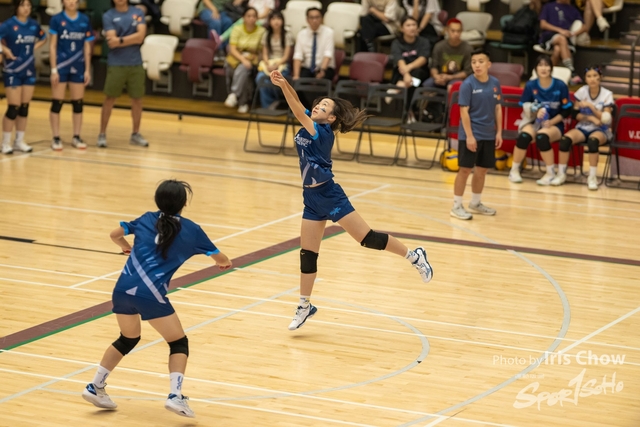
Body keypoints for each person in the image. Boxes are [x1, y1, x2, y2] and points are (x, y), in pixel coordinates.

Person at [269, 69, 433, 331]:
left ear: (331, 118)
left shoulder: (321, 132)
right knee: (308, 254)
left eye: (323, 107)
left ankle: (415, 256)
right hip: (311, 198)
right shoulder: (311, 123)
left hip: (329, 194)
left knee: (368, 239)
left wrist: (282, 87)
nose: (317, 107)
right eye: (318, 104)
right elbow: (299, 105)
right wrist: (284, 83)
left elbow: (297, 109)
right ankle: (304, 305)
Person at [81, 180, 232, 418]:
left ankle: (95, 386)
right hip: (150, 294)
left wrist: (125, 247)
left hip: (122, 290)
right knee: (178, 343)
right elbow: (220, 257)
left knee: (127, 338)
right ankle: (175, 396)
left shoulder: (146, 219)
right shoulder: (192, 230)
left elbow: (114, 234)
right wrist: (224, 263)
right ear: (184, 203)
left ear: (157, 201)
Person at [450, 50, 502, 221]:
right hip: (471, 135)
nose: (477, 65)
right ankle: (456, 206)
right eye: (473, 62)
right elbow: (463, 112)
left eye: (480, 61)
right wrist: (470, 136)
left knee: (482, 170)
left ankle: (475, 203)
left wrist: (499, 132)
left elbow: (498, 108)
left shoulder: (495, 83)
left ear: (488, 64)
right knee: (465, 169)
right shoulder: (467, 84)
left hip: (488, 134)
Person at [508, 55, 573, 186]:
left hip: (554, 123)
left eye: (546, 65)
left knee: (542, 137)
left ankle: (550, 173)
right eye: (540, 65)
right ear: (536, 69)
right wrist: (534, 110)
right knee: (524, 137)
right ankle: (514, 170)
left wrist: (552, 122)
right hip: (534, 121)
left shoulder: (560, 85)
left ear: (551, 68)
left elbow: (567, 110)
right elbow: (524, 105)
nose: (543, 68)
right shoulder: (530, 85)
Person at [551, 65, 613, 190]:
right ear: (585, 79)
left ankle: (592, 177)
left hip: (601, 129)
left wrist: (591, 107)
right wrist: (590, 118)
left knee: (593, 141)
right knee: (565, 140)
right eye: (589, 76)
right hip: (583, 126)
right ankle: (561, 174)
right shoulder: (581, 92)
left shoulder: (607, 94)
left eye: (595, 76)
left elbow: (605, 118)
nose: (592, 79)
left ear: (600, 77)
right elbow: (575, 115)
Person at [98, 0, 148, 149]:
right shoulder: (108, 16)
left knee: (137, 99)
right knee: (110, 98)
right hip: (116, 63)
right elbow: (111, 41)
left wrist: (120, 40)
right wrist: (131, 38)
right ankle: (102, 134)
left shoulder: (137, 13)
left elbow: (141, 37)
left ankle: (135, 134)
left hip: (135, 63)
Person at [0, 0, 46, 155]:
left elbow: (43, 37)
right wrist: (4, 49)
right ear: (16, 7)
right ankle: (5, 143)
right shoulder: (8, 25)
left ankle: (19, 141)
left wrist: (33, 48)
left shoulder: (33, 25)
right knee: (13, 107)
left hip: (29, 70)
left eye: (29, 6)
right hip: (13, 70)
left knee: (24, 107)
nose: (26, 8)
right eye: (23, 5)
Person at [48, 0, 94, 151]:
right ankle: (56, 137)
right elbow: (52, 46)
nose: (71, 2)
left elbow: (87, 46)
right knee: (57, 102)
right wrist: (53, 70)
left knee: (78, 103)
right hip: (61, 66)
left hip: (78, 66)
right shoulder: (56, 19)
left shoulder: (84, 20)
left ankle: (76, 136)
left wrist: (87, 70)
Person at [223, 7, 265, 114]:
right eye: (249, 16)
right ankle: (242, 102)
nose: (251, 18)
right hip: (237, 57)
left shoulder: (262, 31)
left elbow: (261, 51)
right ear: (243, 18)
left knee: (243, 68)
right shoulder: (237, 28)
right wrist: (242, 59)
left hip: (252, 59)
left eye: (254, 16)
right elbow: (232, 49)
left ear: (257, 18)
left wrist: (252, 58)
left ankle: (234, 94)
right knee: (236, 70)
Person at [292, 7, 335, 108]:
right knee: (297, 85)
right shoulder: (301, 34)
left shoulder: (329, 32)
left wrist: (322, 70)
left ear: (321, 18)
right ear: (307, 19)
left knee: (321, 85)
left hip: (325, 68)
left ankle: (321, 111)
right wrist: (296, 76)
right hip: (308, 68)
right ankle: (307, 111)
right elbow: (298, 56)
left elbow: (328, 54)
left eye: (317, 17)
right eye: (311, 17)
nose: (314, 20)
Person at [389, 16, 430, 122]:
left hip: (420, 73)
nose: (412, 28)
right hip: (403, 73)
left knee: (416, 75)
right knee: (411, 82)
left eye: (414, 25)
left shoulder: (424, 41)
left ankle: (400, 88)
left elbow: (423, 59)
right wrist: (406, 74)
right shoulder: (397, 43)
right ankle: (410, 112)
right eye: (408, 25)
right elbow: (399, 60)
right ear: (402, 28)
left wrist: (408, 68)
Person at [536, 0, 585, 84]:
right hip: (548, 37)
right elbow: (543, 24)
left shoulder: (573, 10)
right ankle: (571, 71)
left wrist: (573, 33)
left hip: (565, 38)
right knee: (561, 38)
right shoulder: (548, 6)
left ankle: (547, 76)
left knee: (557, 49)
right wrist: (560, 30)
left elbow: (584, 27)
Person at [255, 11, 293, 109]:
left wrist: (276, 65)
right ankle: (268, 105)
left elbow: (286, 56)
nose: (276, 21)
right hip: (269, 63)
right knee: (260, 78)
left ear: (282, 21)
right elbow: (265, 53)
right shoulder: (266, 34)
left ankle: (276, 100)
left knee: (276, 79)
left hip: (282, 63)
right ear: (269, 21)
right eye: (273, 19)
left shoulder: (287, 35)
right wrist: (268, 64)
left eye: (278, 19)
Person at [423, 18, 472, 90]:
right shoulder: (439, 46)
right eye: (453, 31)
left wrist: (450, 77)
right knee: (426, 85)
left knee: (452, 87)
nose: (456, 34)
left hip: (457, 78)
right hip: (441, 76)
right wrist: (436, 76)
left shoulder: (467, 48)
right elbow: (434, 67)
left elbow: (467, 72)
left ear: (461, 31)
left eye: (458, 31)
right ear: (447, 31)